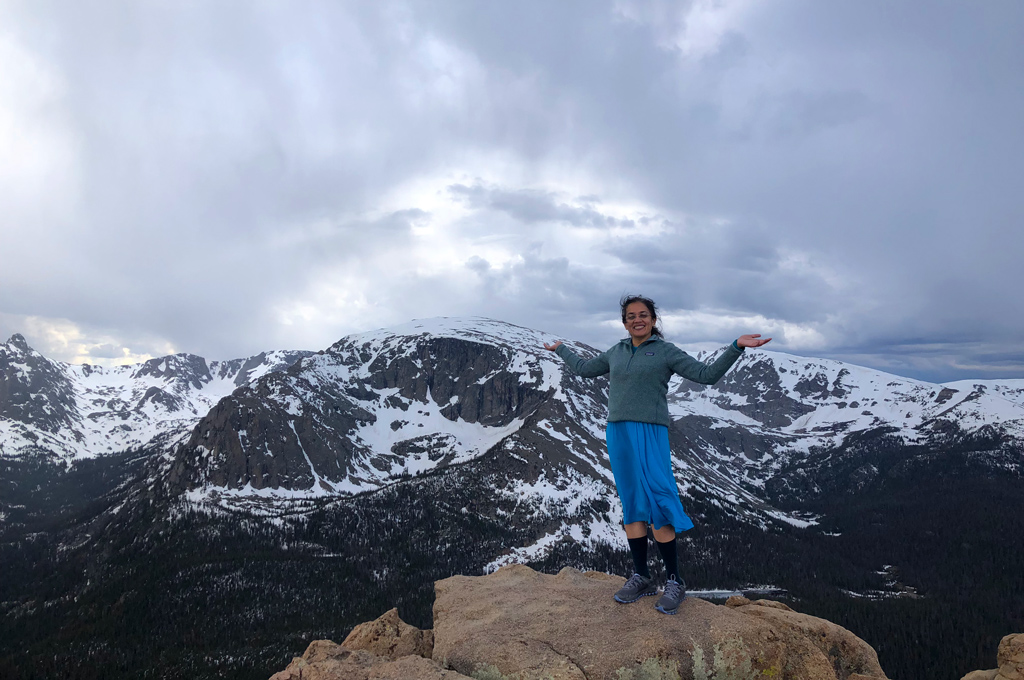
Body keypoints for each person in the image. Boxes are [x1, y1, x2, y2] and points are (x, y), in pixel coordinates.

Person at [543, 294, 771, 615]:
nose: (638, 320)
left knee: (660, 501)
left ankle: (675, 581)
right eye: (631, 316)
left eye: (644, 315)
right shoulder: (617, 352)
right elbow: (582, 369)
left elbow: (707, 375)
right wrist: (561, 349)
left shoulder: (665, 352)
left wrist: (736, 346)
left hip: (650, 432)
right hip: (618, 431)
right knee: (632, 502)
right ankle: (642, 576)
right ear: (624, 322)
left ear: (653, 320)